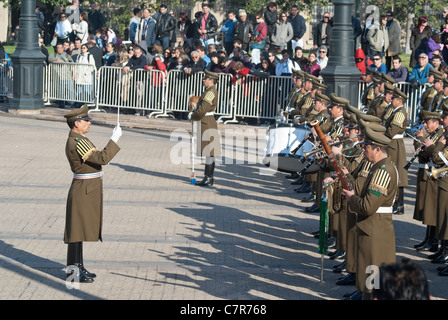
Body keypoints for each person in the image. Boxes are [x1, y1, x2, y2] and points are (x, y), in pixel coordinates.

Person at [63, 104, 121, 284]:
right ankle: (73, 272)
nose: (89, 123)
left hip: (87, 188)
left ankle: (78, 267)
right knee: (76, 233)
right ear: (76, 123)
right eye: (86, 121)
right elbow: (102, 158)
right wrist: (114, 139)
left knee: (79, 233)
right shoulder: (78, 142)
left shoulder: (80, 138)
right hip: (83, 190)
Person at [342, 126, 398, 300]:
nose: (363, 149)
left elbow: (367, 206)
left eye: (366, 147)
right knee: (369, 276)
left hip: (376, 229)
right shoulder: (378, 167)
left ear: (378, 149)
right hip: (373, 227)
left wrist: (352, 198)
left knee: (374, 278)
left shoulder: (382, 171)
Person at [189, 70, 221, 186]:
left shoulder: (210, 92)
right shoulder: (208, 91)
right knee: (209, 152)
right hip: (206, 121)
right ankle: (209, 177)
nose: (203, 80)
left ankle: (208, 178)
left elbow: (203, 109)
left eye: (205, 78)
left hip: (207, 122)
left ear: (211, 81)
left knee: (209, 152)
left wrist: (193, 116)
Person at [383, 87, 408, 215]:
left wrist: (382, 135)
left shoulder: (399, 112)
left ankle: (399, 204)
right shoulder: (395, 111)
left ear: (399, 100)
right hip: (393, 144)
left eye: (393, 98)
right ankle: (397, 203)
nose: (391, 100)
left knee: (397, 173)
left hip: (395, 145)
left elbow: (392, 131)